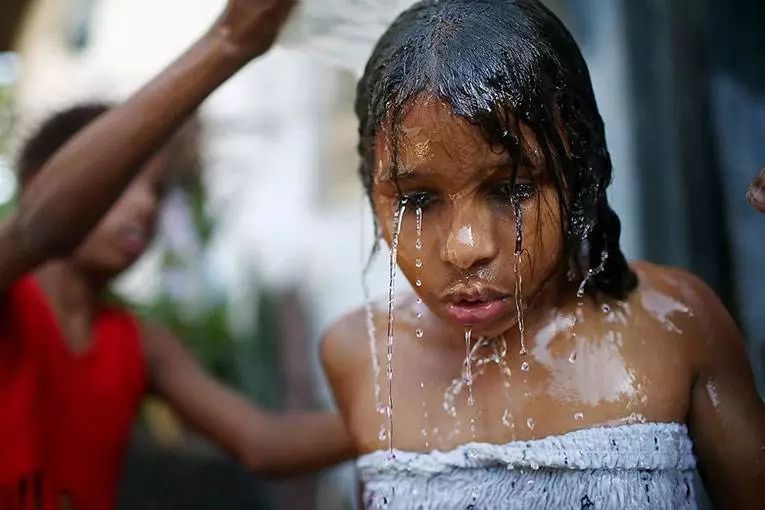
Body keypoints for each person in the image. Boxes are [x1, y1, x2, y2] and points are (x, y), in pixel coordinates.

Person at [319, 1, 765, 508]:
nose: (467, 247)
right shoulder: (362, 355)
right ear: (372, 196)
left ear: (576, 173)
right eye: (417, 201)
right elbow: (261, 446)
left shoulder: (673, 325)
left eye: (511, 190)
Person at [0, 1, 353, 509]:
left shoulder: (139, 344)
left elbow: (262, 441)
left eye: (158, 190)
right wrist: (228, 42)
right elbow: (38, 228)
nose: (146, 205)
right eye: (123, 183)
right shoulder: (9, 291)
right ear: (42, 181)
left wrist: (415, 417)